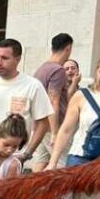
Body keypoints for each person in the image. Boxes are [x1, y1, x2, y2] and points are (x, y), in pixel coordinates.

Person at [31, 33, 73, 172]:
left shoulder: (42, 69)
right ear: (68, 48)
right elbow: (53, 100)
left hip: (40, 124)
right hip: (53, 125)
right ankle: (58, 193)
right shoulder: (58, 70)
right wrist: (56, 132)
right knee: (62, 163)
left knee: (42, 161)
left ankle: (33, 191)